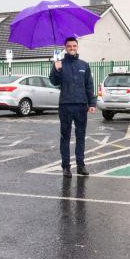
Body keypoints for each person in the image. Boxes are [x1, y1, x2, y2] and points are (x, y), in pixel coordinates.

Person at [49, 37, 96, 178]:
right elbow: (53, 82)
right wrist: (56, 70)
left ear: (77, 47)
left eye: (74, 46)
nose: (72, 48)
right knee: (65, 137)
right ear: (65, 47)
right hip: (65, 105)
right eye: (69, 46)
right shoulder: (60, 64)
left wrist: (92, 103)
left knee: (80, 136)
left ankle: (81, 165)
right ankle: (66, 167)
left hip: (81, 105)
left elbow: (89, 85)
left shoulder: (84, 65)